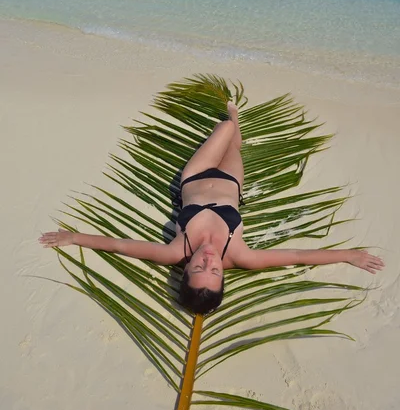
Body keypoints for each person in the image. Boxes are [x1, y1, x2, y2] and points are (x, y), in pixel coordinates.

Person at [39, 102, 384, 315]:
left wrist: (74, 237)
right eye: (215, 271)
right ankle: (235, 121)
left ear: (185, 271)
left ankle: (232, 116)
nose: (208, 260)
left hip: (196, 175)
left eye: (199, 268)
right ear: (223, 275)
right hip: (232, 182)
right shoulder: (241, 256)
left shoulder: (176, 250)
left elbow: (119, 246)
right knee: (235, 140)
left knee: (226, 128)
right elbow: (296, 255)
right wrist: (348, 255)